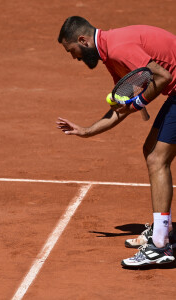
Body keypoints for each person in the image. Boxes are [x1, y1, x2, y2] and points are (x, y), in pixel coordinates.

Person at [57, 16, 176, 267]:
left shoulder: (120, 49)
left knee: (157, 159)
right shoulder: (110, 55)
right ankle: (161, 230)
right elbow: (122, 108)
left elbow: (162, 76)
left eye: (72, 51)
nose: (74, 57)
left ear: (83, 40)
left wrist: (140, 101)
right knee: (151, 151)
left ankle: (160, 246)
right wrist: (86, 131)